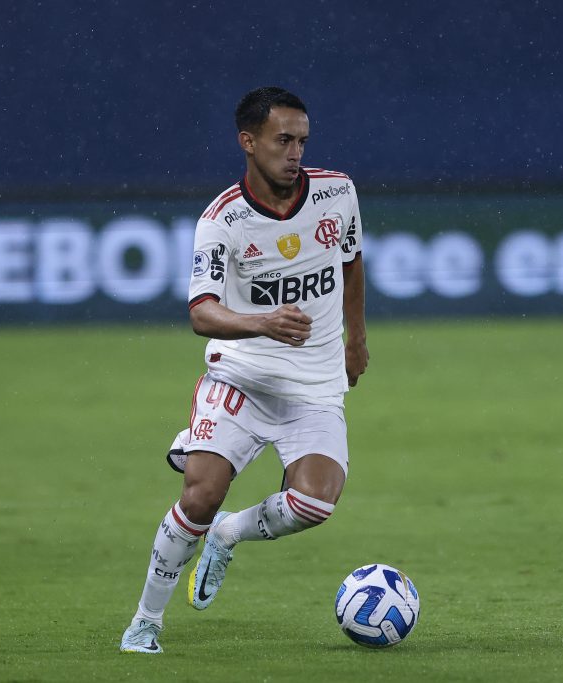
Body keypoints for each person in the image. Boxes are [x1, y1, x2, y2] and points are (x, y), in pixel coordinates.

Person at [120, 86, 368, 654]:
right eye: (284, 140)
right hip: (241, 378)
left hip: (315, 387)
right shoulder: (222, 220)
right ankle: (145, 623)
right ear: (248, 142)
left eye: (302, 140)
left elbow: (352, 263)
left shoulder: (338, 193)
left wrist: (357, 339)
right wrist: (262, 324)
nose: (295, 152)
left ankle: (230, 534)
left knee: (314, 504)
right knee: (201, 495)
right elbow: (201, 313)